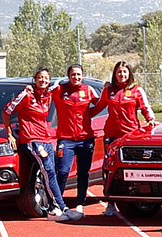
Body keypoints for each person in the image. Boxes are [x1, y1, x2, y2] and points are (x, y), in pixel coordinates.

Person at [2, 67, 81, 222]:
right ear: (35, 79)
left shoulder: (48, 94)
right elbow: (6, 111)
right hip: (32, 141)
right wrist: (9, 134)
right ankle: (60, 207)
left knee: (51, 173)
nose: (43, 80)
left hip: (46, 140)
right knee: (48, 171)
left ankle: (55, 208)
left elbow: (65, 83)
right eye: (40, 77)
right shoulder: (26, 95)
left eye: (46, 78)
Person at [97, 61, 154, 216]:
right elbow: (97, 107)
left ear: (129, 74)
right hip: (111, 135)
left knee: (134, 167)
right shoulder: (108, 91)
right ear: (115, 74)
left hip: (131, 136)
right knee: (109, 168)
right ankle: (110, 204)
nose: (122, 74)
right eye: (119, 72)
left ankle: (138, 200)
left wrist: (150, 120)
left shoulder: (137, 90)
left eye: (124, 72)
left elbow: (145, 108)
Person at [51, 64, 99, 217]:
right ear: (68, 76)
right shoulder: (59, 90)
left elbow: (102, 104)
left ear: (82, 76)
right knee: (62, 172)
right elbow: (42, 96)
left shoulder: (89, 90)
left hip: (86, 139)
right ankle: (58, 204)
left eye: (78, 74)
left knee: (83, 173)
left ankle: (80, 204)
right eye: (73, 74)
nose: (76, 77)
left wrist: (88, 114)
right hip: (66, 140)